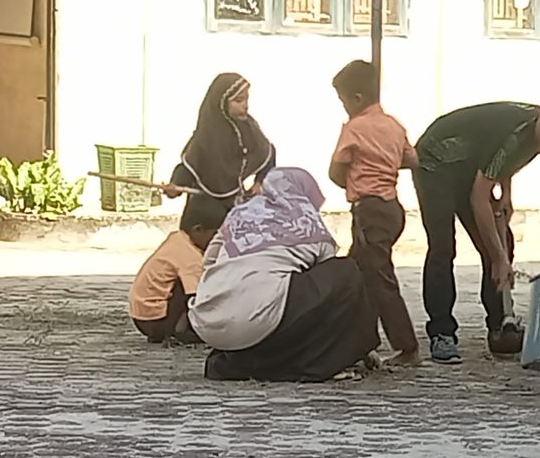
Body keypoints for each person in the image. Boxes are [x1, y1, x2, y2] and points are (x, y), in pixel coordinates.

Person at [414, 98, 540, 364]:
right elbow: (479, 197)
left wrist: (506, 194)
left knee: (501, 241)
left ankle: (500, 325)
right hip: (436, 163)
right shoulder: (518, 134)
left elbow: (502, 161)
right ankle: (442, 332)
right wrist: (498, 258)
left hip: (471, 166)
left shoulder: (538, 133)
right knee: (443, 246)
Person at [189, 168, 378, 383]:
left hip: (209, 321)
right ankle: (321, 359)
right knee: (346, 272)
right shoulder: (310, 227)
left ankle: (248, 357)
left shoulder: (237, 215)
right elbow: (331, 294)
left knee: (282, 290)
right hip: (259, 320)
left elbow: (208, 262)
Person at [329, 60, 421, 366]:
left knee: (379, 278)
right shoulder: (394, 125)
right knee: (360, 275)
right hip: (392, 208)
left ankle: (407, 346)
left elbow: (336, 170)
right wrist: (385, 163)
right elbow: (412, 160)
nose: (343, 107)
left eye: (343, 101)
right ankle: (360, 343)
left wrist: (354, 178)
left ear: (356, 98)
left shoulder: (354, 128)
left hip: (368, 209)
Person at [162, 73, 276, 221]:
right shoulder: (206, 135)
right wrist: (175, 187)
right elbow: (189, 166)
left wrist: (259, 182)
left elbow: (267, 153)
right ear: (221, 104)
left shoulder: (248, 128)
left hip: (235, 207)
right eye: (239, 100)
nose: (245, 105)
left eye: (246, 99)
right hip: (204, 208)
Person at [127, 196, 229, 345]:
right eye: (215, 235)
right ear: (198, 230)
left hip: (142, 317)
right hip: (156, 319)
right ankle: (178, 331)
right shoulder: (189, 255)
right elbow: (198, 295)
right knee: (195, 287)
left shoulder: (177, 239)